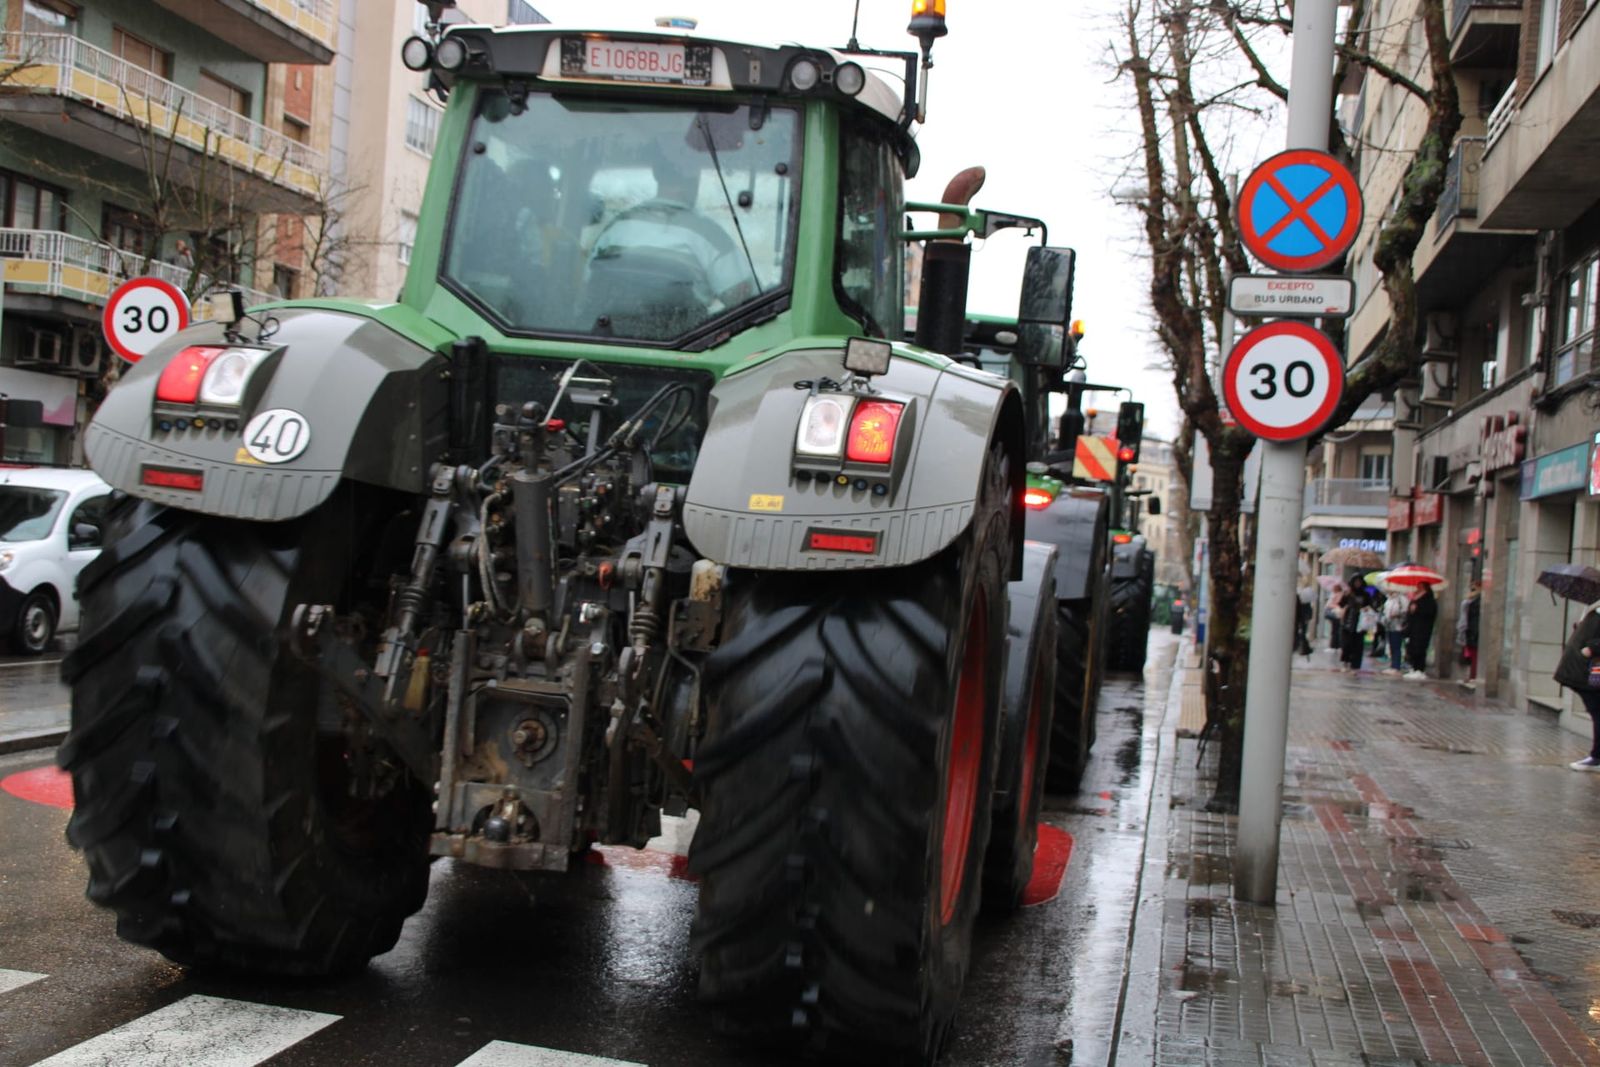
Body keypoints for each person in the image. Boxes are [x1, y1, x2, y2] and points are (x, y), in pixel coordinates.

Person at [1553, 600, 1600, 771]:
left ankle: (1597, 757)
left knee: (1597, 711)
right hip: (1588, 669)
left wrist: (1592, 647)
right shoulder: (1596, 609)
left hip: (1593, 669)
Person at [1405, 583, 1437, 679]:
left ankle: (1420, 669)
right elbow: (1410, 614)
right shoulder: (1415, 599)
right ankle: (1415, 668)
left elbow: (1429, 613)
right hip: (1413, 628)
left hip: (1423, 628)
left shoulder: (1429, 600)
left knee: (1420, 648)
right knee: (1413, 648)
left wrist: (1417, 609)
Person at [1456, 581, 1482, 689]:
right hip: (1469, 630)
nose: (1472, 591)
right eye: (1471, 588)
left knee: (1473, 655)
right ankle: (1471, 675)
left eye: (1474, 588)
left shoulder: (1478, 601)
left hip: (1473, 630)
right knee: (1470, 655)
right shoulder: (1471, 600)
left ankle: (1473, 676)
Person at [1381, 586, 1409, 676]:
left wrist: (1397, 615)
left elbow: (1405, 612)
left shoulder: (1402, 599)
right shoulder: (1389, 600)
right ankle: (1393, 665)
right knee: (1392, 646)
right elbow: (1385, 611)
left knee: (1397, 646)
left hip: (1398, 626)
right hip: (1389, 625)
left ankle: (1397, 666)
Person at [1340, 583, 1367, 671]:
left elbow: (1369, 606)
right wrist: (1345, 595)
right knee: (1346, 644)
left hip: (1360, 623)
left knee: (1357, 645)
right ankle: (1346, 662)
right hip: (1348, 623)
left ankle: (1355, 664)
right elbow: (1341, 604)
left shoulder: (1365, 595)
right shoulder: (1347, 595)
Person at [1294, 580, 1314, 657]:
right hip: (1302, 618)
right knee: (1302, 633)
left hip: (1302, 618)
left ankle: (1303, 647)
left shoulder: (1303, 599)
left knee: (1302, 633)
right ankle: (1302, 647)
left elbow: (1308, 610)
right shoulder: (1303, 599)